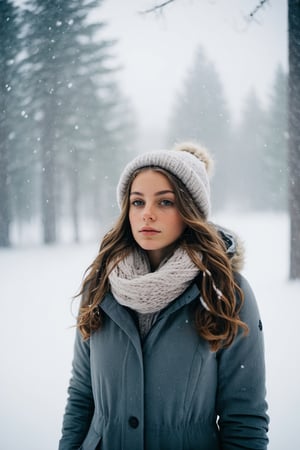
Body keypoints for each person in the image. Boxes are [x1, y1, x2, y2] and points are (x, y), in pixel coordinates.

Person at [59, 142, 269, 450]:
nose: (147, 214)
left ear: (190, 211)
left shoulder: (225, 291)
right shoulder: (100, 285)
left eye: (166, 202)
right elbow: (81, 395)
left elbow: (245, 419)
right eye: (138, 202)